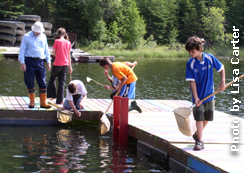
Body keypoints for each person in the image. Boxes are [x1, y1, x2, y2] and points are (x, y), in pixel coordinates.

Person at [185, 36, 226, 150]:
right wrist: (196, 97)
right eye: (189, 52)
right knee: (199, 118)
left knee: (208, 117)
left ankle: (197, 134)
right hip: (198, 97)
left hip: (210, 95)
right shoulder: (191, 63)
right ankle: (200, 141)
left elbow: (221, 68)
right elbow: (192, 82)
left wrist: (222, 82)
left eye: (193, 51)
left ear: (200, 48)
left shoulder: (210, 58)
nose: (191, 53)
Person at [18, 21, 51, 108]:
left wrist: (48, 61)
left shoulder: (43, 36)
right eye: (37, 31)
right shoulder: (26, 36)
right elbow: (22, 50)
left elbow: (46, 49)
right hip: (29, 61)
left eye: (40, 31)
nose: (39, 33)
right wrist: (22, 62)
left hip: (40, 61)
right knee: (30, 81)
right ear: (33, 30)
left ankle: (43, 102)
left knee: (42, 82)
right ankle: (32, 102)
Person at [47, 27, 72, 104]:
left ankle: (52, 95)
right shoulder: (68, 43)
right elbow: (69, 56)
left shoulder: (57, 41)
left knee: (52, 79)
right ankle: (60, 101)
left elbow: (53, 53)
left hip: (57, 64)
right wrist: (70, 67)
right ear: (64, 34)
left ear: (58, 34)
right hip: (65, 65)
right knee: (61, 83)